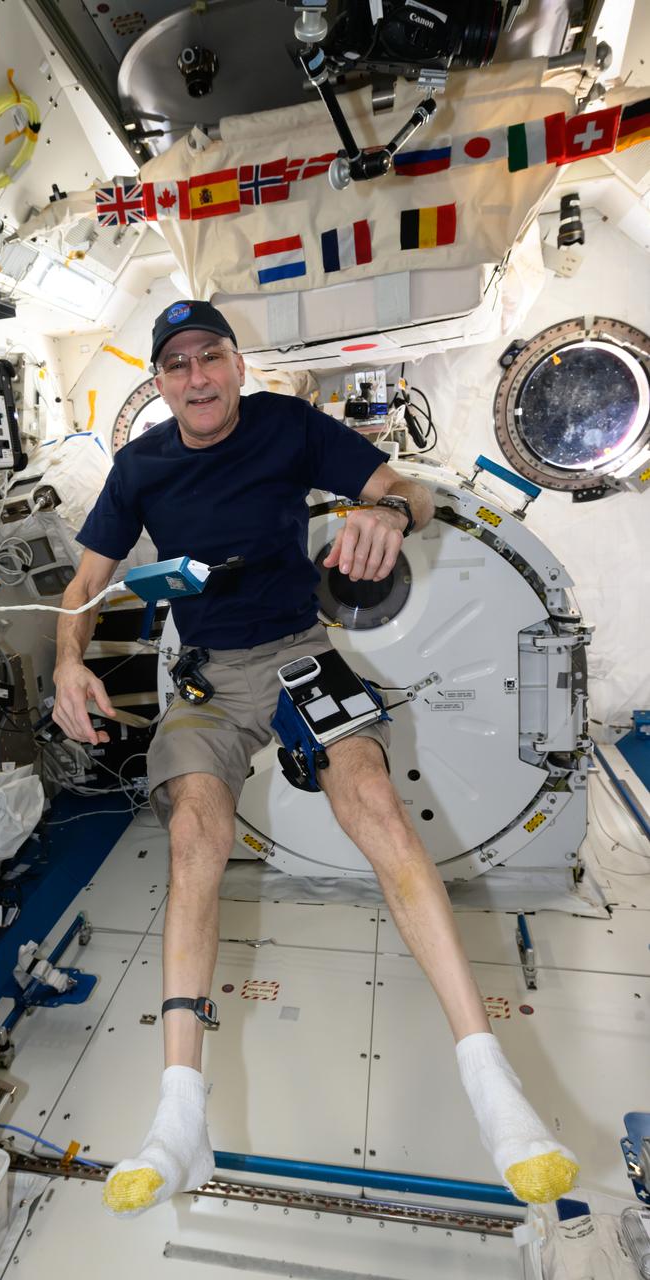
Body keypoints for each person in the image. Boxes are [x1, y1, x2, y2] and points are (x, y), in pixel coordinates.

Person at [52, 300, 579, 1218]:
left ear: (235, 362)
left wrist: (384, 513)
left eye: (209, 357)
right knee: (194, 838)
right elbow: (84, 581)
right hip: (209, 682)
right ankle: (180, 1112)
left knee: (372, 801)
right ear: (162, 381)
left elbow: (405, 486)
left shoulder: (288, 426)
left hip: (302, 654)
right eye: (175, 366)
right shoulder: (137, 466)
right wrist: (66, 661)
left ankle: (492, 1086)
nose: (196, 378)